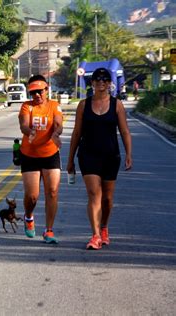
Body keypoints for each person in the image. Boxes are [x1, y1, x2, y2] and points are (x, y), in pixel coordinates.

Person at [66, 67, 132, 250]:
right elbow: (76, 132)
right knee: (94, 194)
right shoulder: (83, 105)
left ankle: (104, 228)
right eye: (97, 79)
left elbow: (124, 131)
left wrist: (129, 154)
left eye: (105, 79)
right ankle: (95, 235)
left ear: (110, 83)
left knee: (107, 199)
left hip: (111, 156)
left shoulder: (116, 104)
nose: (101, 82)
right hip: (88, 155)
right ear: (92, 83)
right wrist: (70, 159)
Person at [18, 75, 63, 244]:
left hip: (51, 154)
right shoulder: (26, 107)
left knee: (52, 191)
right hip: (30, 155)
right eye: (33, 92)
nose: (37, 95)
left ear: (47, 90)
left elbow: (58, 123)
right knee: (32, 196)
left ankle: (49, 230)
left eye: (40, 91)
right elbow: (23, 124)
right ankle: (29, 216)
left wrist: (56, 133)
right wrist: (29, 132)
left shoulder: (54, 106)